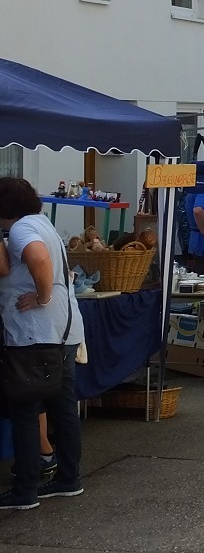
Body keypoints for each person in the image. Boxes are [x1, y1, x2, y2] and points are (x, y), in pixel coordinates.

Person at [0, 177, 86, 509]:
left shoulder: (21, 230)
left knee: (24, 411)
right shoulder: (41, 222)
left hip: (35, 336)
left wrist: (41, 296)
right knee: (63, 407)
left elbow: (39, 260)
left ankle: (26, 490)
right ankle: (68, 478)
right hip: (61, 331)